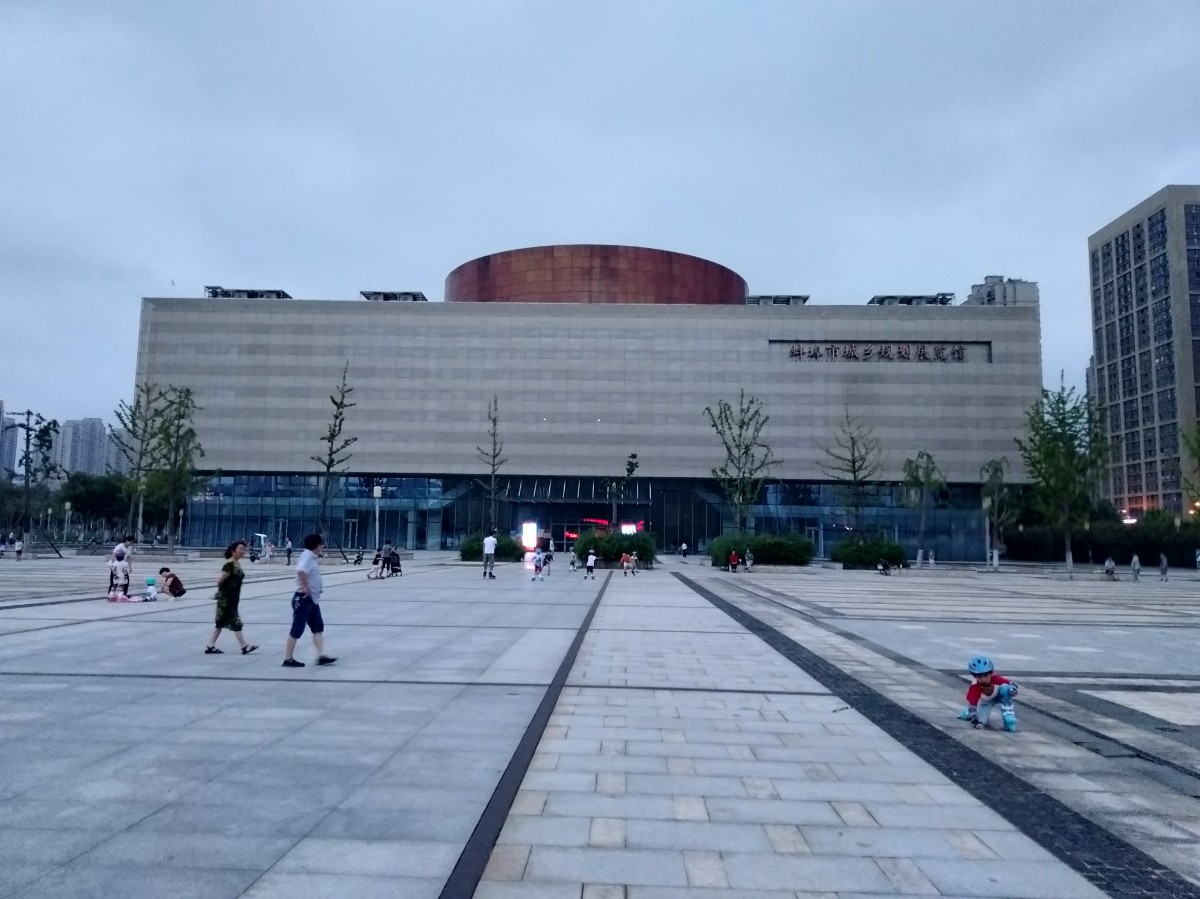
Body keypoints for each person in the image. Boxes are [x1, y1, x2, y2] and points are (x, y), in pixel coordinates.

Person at [283, 534, 335, 668]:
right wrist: (305, 587)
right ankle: (288, 659)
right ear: (317, 545)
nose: (322, 546)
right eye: (321, 544)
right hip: (303, 599)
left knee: (318, 627)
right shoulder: (307, 556)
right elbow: (301, 571)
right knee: (297, 629)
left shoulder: (312, 557)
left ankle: (321, 656)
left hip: (312, 600)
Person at [206, 540, 258, 655]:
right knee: (235, 621)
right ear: (233, 551)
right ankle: (244, 646)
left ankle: (210, 646)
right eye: (241, 549)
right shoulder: (230, 564)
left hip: (232, 598)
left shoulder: (236, 564)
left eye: (244, 549)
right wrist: (222, 593)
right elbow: (220, 581)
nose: (243, 551)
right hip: (227, 599)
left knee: (220, 623)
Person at [957, 655, 1019, 732]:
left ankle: (1008, 714)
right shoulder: (975, 687)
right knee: (981, 722)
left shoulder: (996, 679)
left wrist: (1013, 689)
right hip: (985, 702)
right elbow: (972, 706)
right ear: (975, 677)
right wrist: (975, 721)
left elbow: (1011, 683)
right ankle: (966, 713)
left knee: (1005, 688)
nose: (983, 679)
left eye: (986, 675)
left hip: (999, 696)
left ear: (991, 674)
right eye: (980, 676)